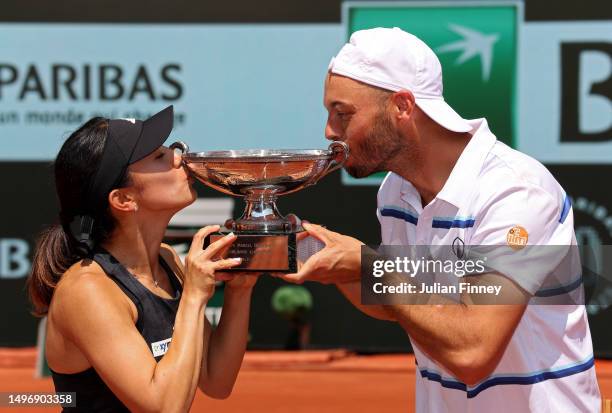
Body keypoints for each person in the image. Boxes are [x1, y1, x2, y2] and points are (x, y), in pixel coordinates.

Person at [278, 28, 601, 411]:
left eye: (343, 113)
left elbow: (472, 350)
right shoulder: (395, 192)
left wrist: (368, 266)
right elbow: (410, 304)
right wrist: (330, 262)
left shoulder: (515, 193)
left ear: (402, 106)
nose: (330, 131)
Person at [28, 106, 257, 412]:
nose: (180, 157)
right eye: (160, 157)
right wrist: (194, 296)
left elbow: (216, 381)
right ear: (123, 199)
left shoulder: (166, 259)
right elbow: (163, 408)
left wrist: (240, 292)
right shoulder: (87, 290)